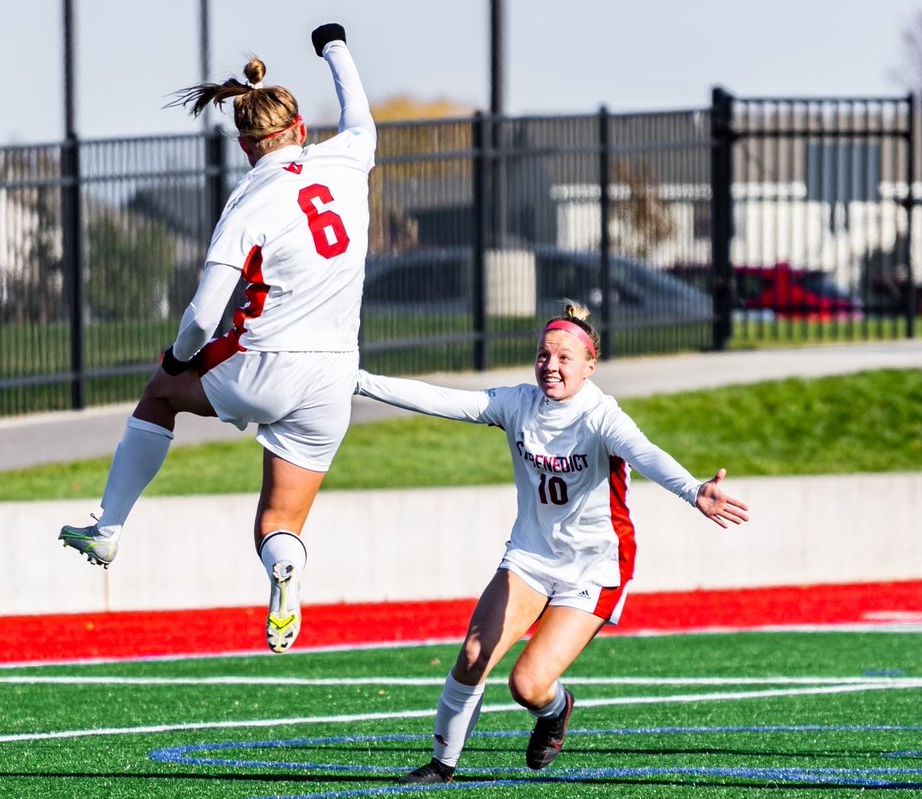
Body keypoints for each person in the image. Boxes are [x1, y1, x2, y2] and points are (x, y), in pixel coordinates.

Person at [58, 23, 375, 656]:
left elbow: (204, 316)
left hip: (263, 366)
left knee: (159, 395)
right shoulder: (349, 158)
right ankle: (285, 571)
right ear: (301, 131)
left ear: (244, 143)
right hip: (335, 377)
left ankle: (108, 526)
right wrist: (333, 47)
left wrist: (177, 360)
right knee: (278, 524)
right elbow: (358, 110)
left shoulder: (248, 202)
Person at [354, 304, 750, 784]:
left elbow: (647, 454)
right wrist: (360, 381)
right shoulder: (518, 403)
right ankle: (442, 765)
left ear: (589, 365)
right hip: (530, 557)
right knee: (476, 653)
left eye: (565, 357)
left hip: (594, 566)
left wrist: (693, 490)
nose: (552, 366)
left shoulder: (601, 416)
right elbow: (442, 399)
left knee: (528, 685)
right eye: (544, 355)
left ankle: (556, 710)